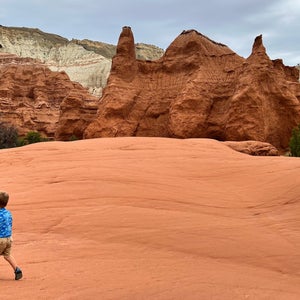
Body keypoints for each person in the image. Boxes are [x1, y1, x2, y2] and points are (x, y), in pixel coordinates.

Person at [0, 191, 22, 280]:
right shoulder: (8, 213)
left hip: (0, 239)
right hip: (8, 238)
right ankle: (17, 269)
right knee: (7, 255)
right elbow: (10, 223)